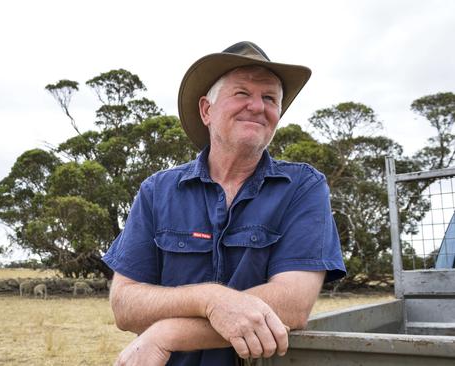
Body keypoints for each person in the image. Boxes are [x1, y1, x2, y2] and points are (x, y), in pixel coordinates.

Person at [103, 41, 346, 366]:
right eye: (242, 93)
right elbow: (125, 304)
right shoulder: (157, 191)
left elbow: (292, 303)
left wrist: (167, 334)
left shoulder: (302, 187)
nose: (258, 106)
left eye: (270, 98)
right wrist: (209, 299)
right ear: (207, 110)